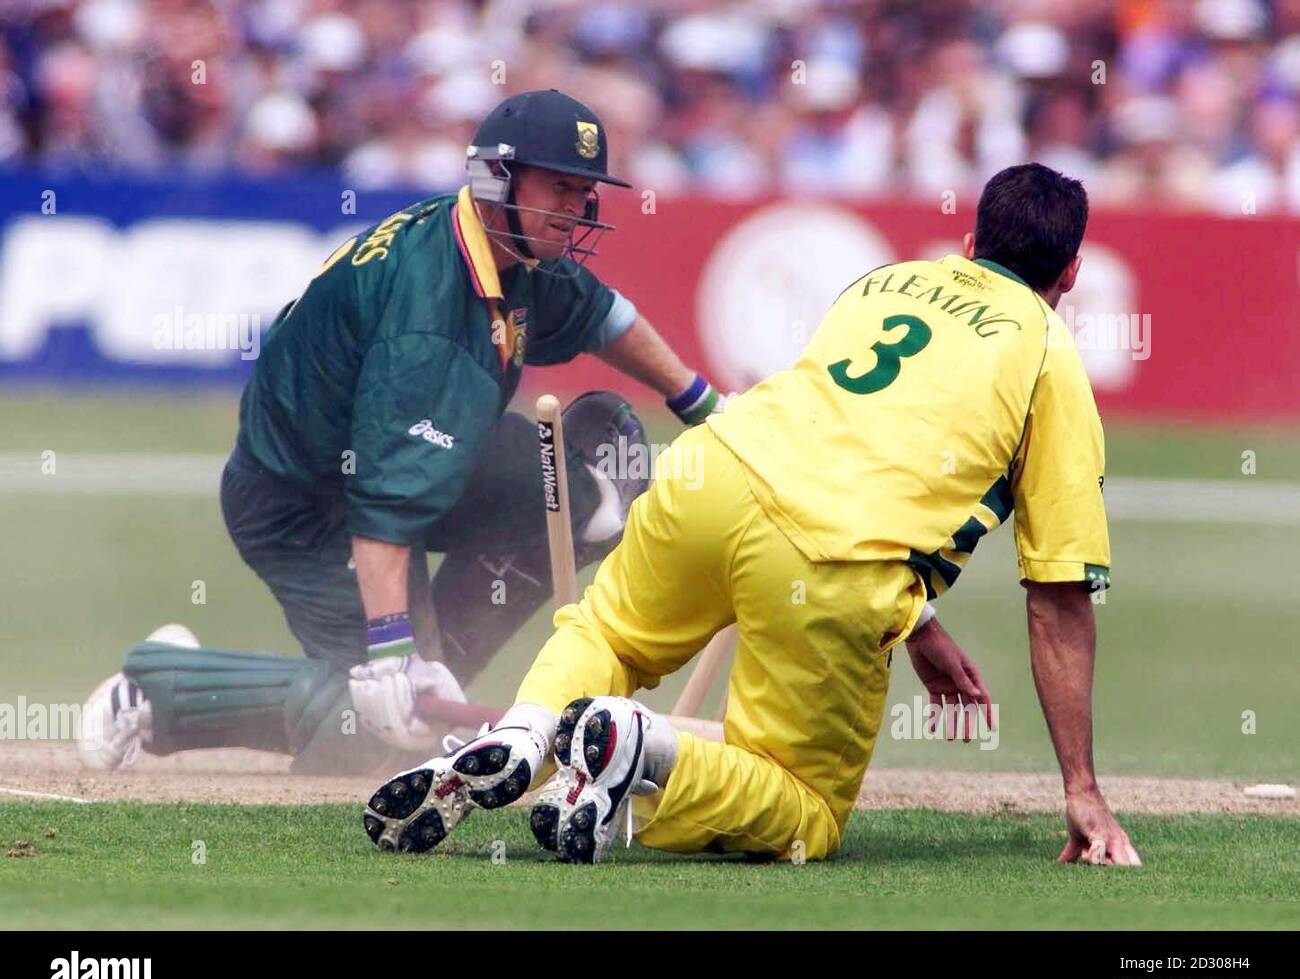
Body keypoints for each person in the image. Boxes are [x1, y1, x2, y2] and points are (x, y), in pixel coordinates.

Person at [362, 162, 1143, 868]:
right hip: (833, 557)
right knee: (807, 809)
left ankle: (526, 733)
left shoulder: (885, 283)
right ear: (1071, 274)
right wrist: (1081, 786)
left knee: (604, 635)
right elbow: (1060, 598)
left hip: (714, 469)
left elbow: (851, 432)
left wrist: (918, 625)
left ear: (969, 240)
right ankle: (638, 749)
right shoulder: (1050, 355)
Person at [76, 90, 727, 776]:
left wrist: (702, 402)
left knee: (599, 470)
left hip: (408, 458)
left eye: (583, 191)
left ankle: (429, 675)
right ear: (496, 180)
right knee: (382, 728)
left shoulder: (506, 248)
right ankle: (162, 688)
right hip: (309, 505)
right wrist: (391, 651)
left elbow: (602, 315)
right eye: (559, 188)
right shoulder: (429, 317)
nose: (577, 208)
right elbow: (383, 496)